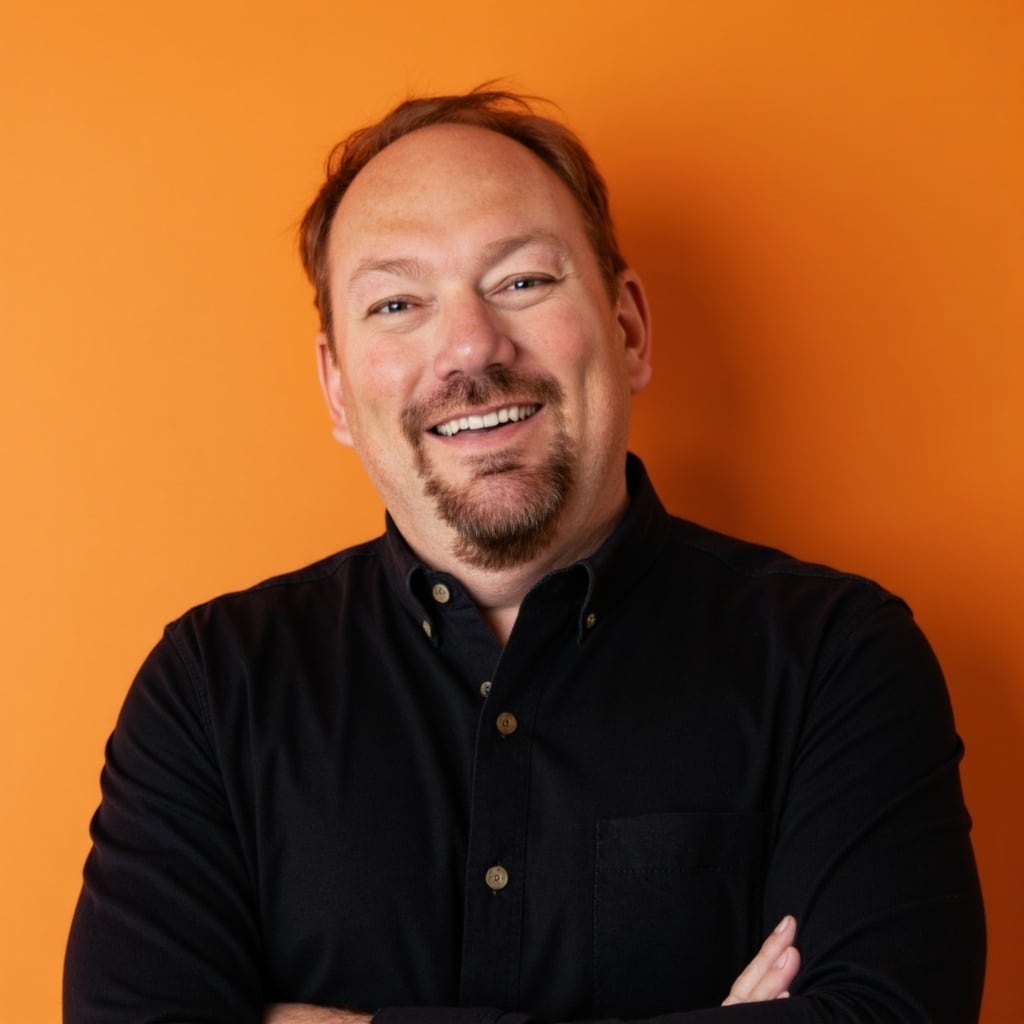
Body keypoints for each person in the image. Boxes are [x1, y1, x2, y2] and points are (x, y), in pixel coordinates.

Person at [64, 87, 985, 1024]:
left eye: (522, 282)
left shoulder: (838, 658)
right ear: (338, 388)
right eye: (396, 301)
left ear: (627, 330)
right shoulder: (212, 690)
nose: (469, 344)